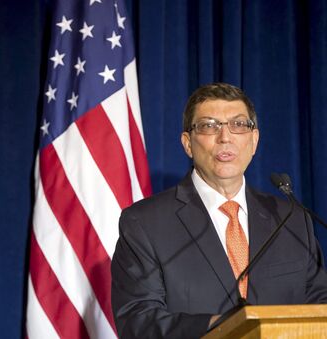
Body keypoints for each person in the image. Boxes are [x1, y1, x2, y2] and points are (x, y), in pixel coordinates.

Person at [110, 83, 327, 338]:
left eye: (238, 125)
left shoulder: (291, 218)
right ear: (188, 143)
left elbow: (319, 303)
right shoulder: (145, 223)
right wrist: (229, 326)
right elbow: (139, 321)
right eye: (209, 126)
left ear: (254, 140)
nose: (225, 137)